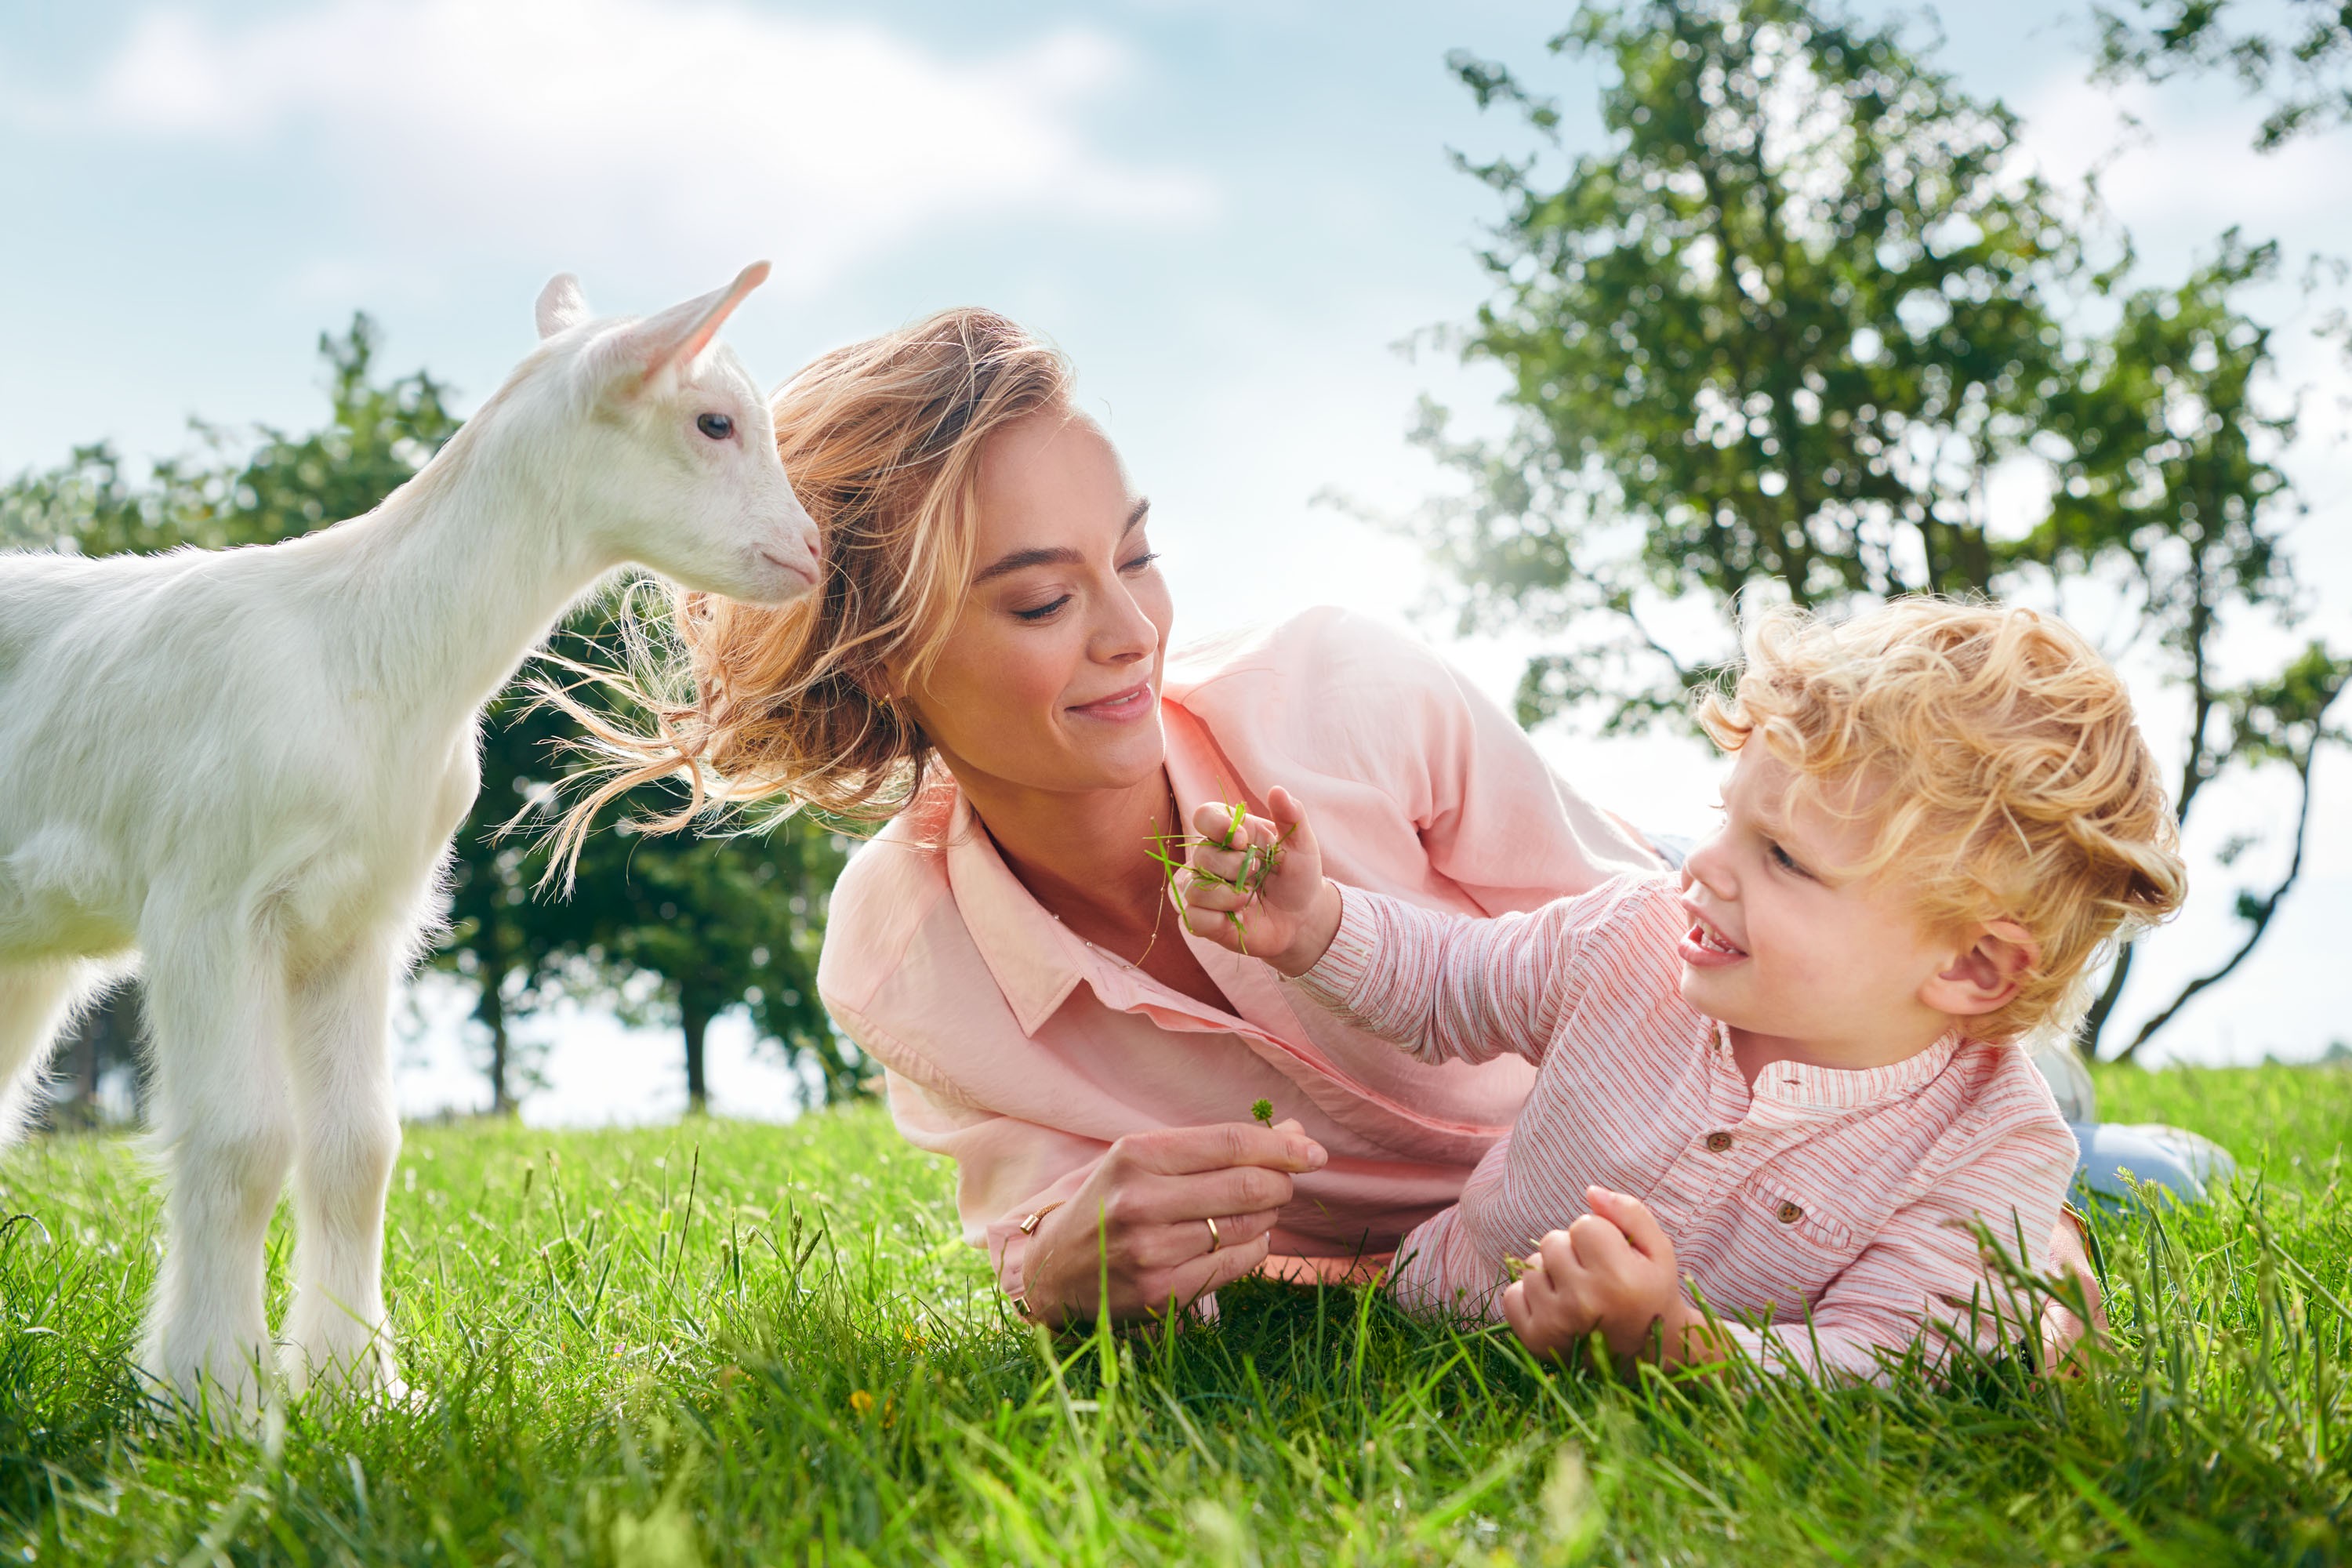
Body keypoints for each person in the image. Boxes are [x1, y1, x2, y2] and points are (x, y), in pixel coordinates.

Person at [552, 307, 1660, 1326]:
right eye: (1043, 600)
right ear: (884, 658)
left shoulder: (1346, 693)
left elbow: (1686, 950)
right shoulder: (899, 962)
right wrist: (1063, 1273)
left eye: (1136, 556)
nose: (1133, 630)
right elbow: (1046, 1232)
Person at [1173, 599, 2187, 1375]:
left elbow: (1886, 1353)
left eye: (1783, 857)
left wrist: (1683, 1344)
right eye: (1728, 816)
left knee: (2159, 1187)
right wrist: (1315, 928)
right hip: (1442, 1317)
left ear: (1968, 965)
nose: (1702, 866)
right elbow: (1450, 982)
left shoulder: (1988, 1140)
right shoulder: (1634, 934)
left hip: (1688, 1359)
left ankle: (2166, 1164)